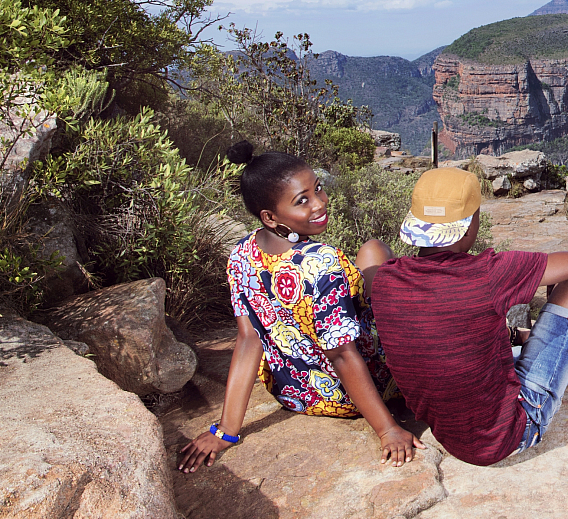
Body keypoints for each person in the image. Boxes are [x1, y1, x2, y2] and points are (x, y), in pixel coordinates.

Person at [362, 167, 568, 466]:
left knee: (550, 302)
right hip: (509, 432)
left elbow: (374, 250)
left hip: (450, 433)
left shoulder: (385, 280)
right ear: (467, 228)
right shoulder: (486, 273)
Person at [177, 142, 423, 473]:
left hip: (295, 391)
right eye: (302, 200)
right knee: (374, 251)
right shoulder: (321, 263)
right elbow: (341, 355)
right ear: (270, 216)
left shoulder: (241, 254)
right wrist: (387, 428)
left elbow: (249, 339)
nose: (320, 203)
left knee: (366, 259)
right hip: (350, 392)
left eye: (317, 189)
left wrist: (225, 432)